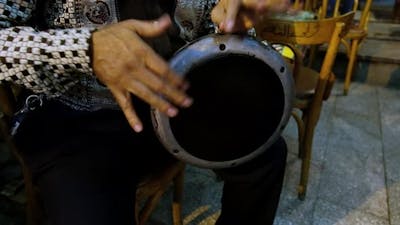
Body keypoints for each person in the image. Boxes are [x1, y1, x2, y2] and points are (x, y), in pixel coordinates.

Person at [0, 0, 292, 224]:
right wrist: (86, 49)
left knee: (266, 153)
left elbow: (216, 24)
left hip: (173, 100)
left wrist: (228, 26)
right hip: (77, 120)